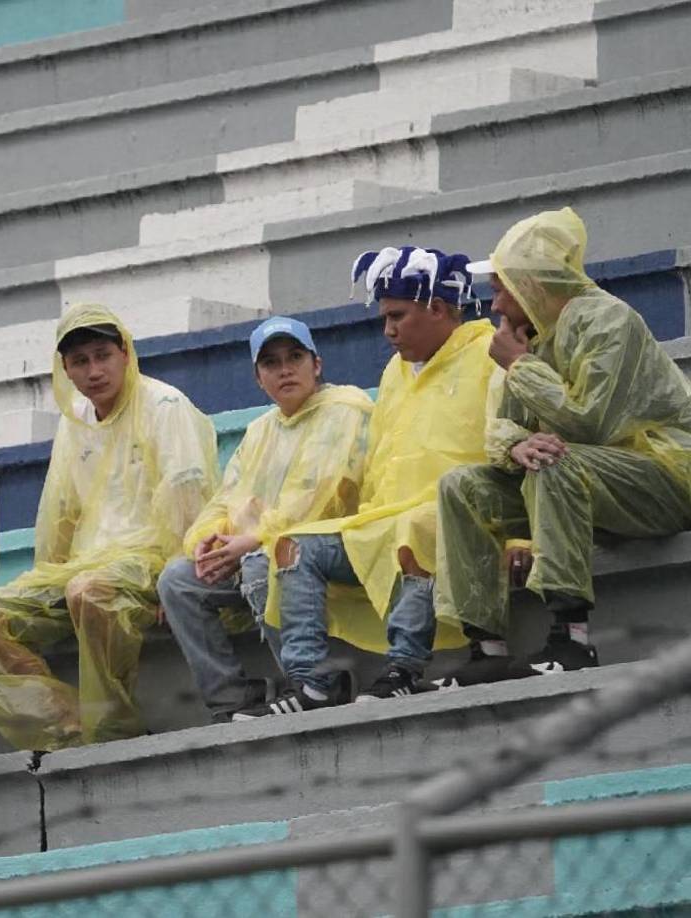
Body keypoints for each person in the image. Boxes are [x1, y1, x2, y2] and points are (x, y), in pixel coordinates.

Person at [235, 248, 496, 717]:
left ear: (438, 309)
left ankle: (404, 670)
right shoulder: (394, 372)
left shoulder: (489, 354)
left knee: (418, 527)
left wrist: (519, 538)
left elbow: (512, 451)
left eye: (397, 316)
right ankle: (311, 683)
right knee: (292, 546)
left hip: (457, 515)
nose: (387, 330)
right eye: (384, 318)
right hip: (382, 520)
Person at [435, 207, 691, 684]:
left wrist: (520, 367)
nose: (495, 306)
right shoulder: (530, 336)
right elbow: (504, 428)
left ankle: (571, 640)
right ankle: (487, 649)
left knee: (554, 462)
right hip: (582, 483)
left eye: (501, 289)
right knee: (462, 487)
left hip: (664, 479)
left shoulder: (608, 320)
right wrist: (516, 446)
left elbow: (592, 424)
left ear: (532, 283)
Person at [0, 303, 218, 750]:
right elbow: (61, 510)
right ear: (66, 370)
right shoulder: (75, 420)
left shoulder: (165, 406)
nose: (94, 371)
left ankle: (114, 731)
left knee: (89, 591)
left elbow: (189, 495)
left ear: (125, 353)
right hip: (87, 567)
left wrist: (175, 578)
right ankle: (69, 728)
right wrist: (48, 574)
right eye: (80, 361)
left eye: (103, 356)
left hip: (148, 564)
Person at [158, 316, 374, 722]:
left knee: (264, 561)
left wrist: (251, 542)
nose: (285, 369)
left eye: (295, 357)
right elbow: (225, 499)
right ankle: (232, 699)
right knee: (178, 579)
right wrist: (208, 540)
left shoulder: (345, 409)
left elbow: (315, 500)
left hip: (334, 546)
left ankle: (314, 683)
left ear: (317, 364)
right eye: (271, 363)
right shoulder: (261, 430)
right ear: (259, 379)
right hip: (258, 545)